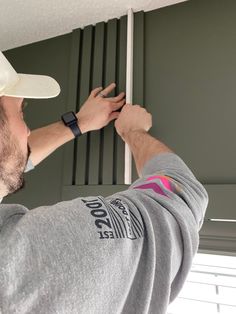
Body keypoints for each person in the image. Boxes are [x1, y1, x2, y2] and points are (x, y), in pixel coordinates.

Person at [0, 51, 209, 314]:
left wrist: (78, 124)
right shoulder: (27, 254)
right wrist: (134, 131)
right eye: (19, 114)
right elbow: (181, 193)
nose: (28, 130)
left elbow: (10, 156)